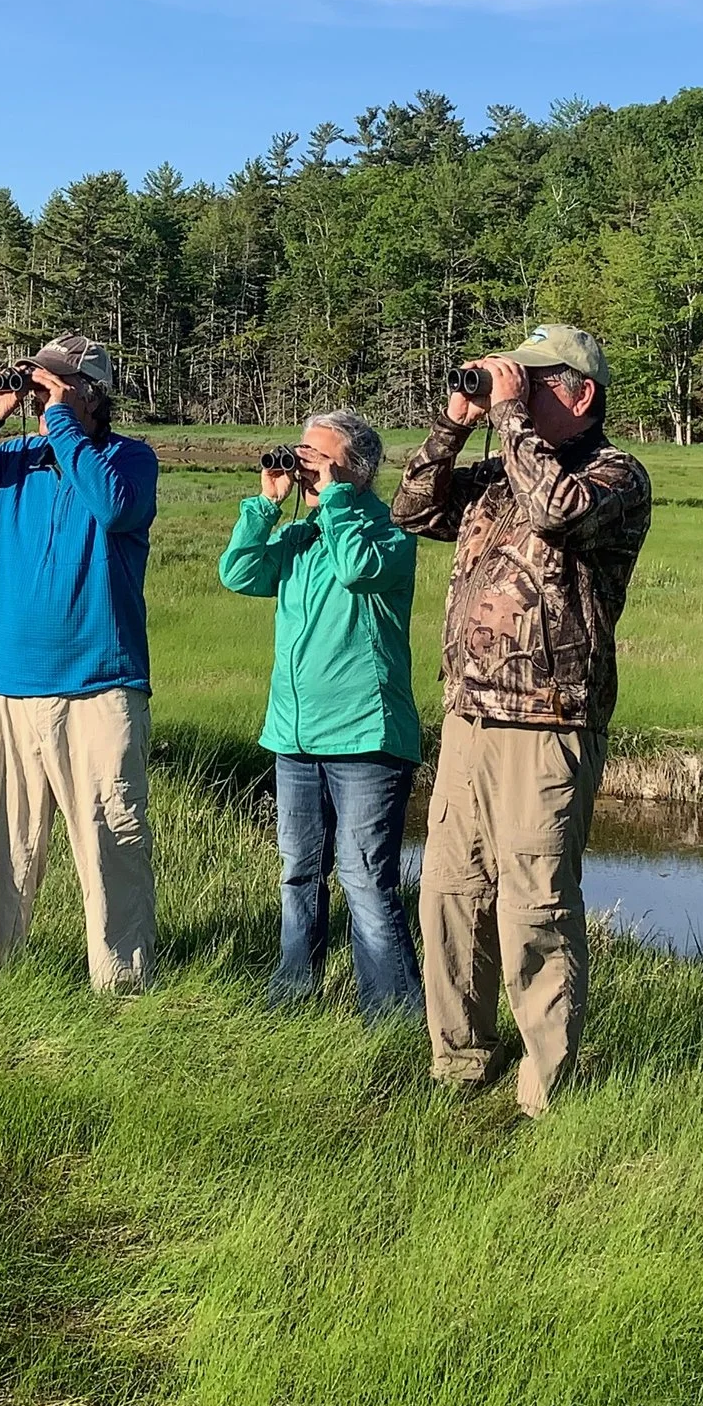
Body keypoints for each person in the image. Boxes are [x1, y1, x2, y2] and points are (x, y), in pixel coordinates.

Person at [391, 325, 652, 1115]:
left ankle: (548, 1091)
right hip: (470, 717)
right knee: (449, 896)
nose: (523, 393)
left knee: (534, 906)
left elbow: (555, 513)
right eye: (520, 381)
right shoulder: (501, 473)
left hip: (549, 723)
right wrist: (455, 423)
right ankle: (460, 1063)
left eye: (538, 383)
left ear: (582, 393)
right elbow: (410, 510)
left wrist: (512, 420)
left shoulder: (614, 474)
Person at [0, 333, 161, 994]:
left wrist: (60, 422)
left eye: (52, 381)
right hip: (14, 687)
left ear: (90, 392)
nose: (37, 391)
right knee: (1, 848)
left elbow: (112, 507)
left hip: (102, 686)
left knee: (113, 845)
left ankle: (123, 988)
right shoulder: (16, 461)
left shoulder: (129, 459)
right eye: (34, 381)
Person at [216, 408, 424, 1020]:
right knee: (298, 871)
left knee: (363, 880)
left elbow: (360, 570)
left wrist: (334, 499)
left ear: (355, 470)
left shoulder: (389, 527)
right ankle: (293, 992)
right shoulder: (301, 535)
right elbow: (240, 573)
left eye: (318, 457)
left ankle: (391, 1011)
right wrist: (266, 507)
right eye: (301, 454)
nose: (303, 464)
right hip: (296, 734)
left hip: (365, 734)